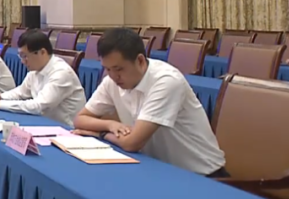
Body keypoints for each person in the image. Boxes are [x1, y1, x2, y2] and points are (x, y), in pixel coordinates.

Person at [73, 28, 227, 176]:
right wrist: (110, 125)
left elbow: (132, 143)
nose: (113, 76)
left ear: (140, 61)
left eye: (119, 69)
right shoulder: (111, 81)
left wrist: (101, 133)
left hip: (202, 176)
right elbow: (80, 119)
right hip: (158, 169)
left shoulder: (166, 81)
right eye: (107, 69)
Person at [0, 30, 86, 126]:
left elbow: (38, 106)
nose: (22, 61)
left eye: (25, 56)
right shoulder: (35, 69)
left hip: (66, 130)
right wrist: (0, 96)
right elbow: (21, 92)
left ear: (42, 52)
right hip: (44, 123)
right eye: (20, 56)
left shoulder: (61, 73)